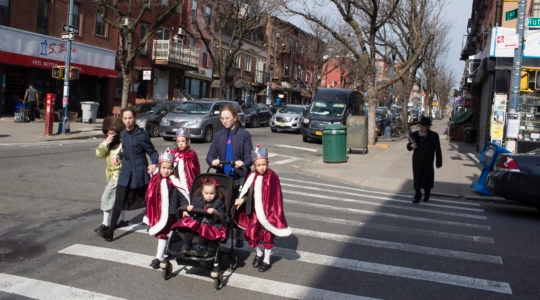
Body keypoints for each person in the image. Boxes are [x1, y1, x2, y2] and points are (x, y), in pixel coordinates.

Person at [97, 107, 159, 242]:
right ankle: (111, 232)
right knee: (119, 201)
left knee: (149, 200)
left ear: (134, 118)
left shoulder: (141, 134)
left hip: (139, 173)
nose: (128, 121)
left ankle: (154, 222)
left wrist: (154, 163)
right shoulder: (123, 134)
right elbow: (126, 151)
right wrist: (118, 156)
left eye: (130, 118)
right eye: (125, 118)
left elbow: (152, 152)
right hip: (125, 173)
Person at [234, 145, 292, 272]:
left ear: (267, 163)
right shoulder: (252, 176)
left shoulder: (272, 177)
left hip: (268, 213)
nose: (261, 167)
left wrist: (274, 214)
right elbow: (249, 193)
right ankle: (258, 252)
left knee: (267, 236)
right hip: (254, 211)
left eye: (263, 164)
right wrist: (242, 199)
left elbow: (276, 197)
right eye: (258, 165)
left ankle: (266, 260)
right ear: (255, 165)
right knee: (250, 234)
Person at [206, 104, 253, 248]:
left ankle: (239, 235)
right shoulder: (219, 135)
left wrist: (242, 163)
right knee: (222, 207)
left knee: (238, 209)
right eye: (222, 118)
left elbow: (249, 157)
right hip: (222, 178)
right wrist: (213, 161)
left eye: (227, 118)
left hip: (238, 177)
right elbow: (210, 155)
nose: (224, 121)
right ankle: (221, 231)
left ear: (234, 118)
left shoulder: (243, 135)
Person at [144, 148, 189, 269]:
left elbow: (182, 194)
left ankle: (159, 257)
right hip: (157, 212)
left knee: (163, 233)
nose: (166, 171)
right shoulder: (155, 179)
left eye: (169, 168)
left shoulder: (173, 181)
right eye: (164, 168)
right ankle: (164, 252)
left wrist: (184, 208)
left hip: (171, 212)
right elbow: (149, 195)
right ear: (160, 167)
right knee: (162, 233)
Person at [173, 178, 226, 256]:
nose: (209, 196)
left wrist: (215, 212)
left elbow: (222, 215)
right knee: (191, 227)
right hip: (198, 221)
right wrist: (190, 208)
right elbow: (193, 209)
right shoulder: (198, 200)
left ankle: (198, 247)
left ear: (216, 192)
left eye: (212, 193)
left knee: (204, 229)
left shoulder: (218, 203)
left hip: (210, 224)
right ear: (202, 192)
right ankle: (186, 245)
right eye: (206, 193)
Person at [94, 116, 129, 233]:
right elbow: (98, 154)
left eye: (113, 133)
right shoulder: (108, 144)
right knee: (120, 198)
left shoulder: (122, 144)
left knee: (107, 197)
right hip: (110, 175)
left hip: (118, 175)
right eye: (108, 133)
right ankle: (124, 220)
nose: (110, 136)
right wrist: (105, 143)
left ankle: (105, 224)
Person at [407, 116, 443, 203]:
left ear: (428, 126)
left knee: (428, 177)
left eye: (425, 126)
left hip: (428, 160)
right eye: (421, 126)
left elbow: (438, 149)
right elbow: (408, 146)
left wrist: (439, 161)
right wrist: (411, 146)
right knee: (417, 177)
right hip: (417, 160)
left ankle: (427, 194)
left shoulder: (434, 136)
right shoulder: (415, 135)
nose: (423, 128)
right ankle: (417, 195)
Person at [170, 128, 200, 194]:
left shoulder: (192, 154)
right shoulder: (173, 153)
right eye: (179, 141)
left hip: (188, 183)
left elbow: (195, 170)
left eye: (183, 141)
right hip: (175, 182)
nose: (181, 144)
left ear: (188, 142)